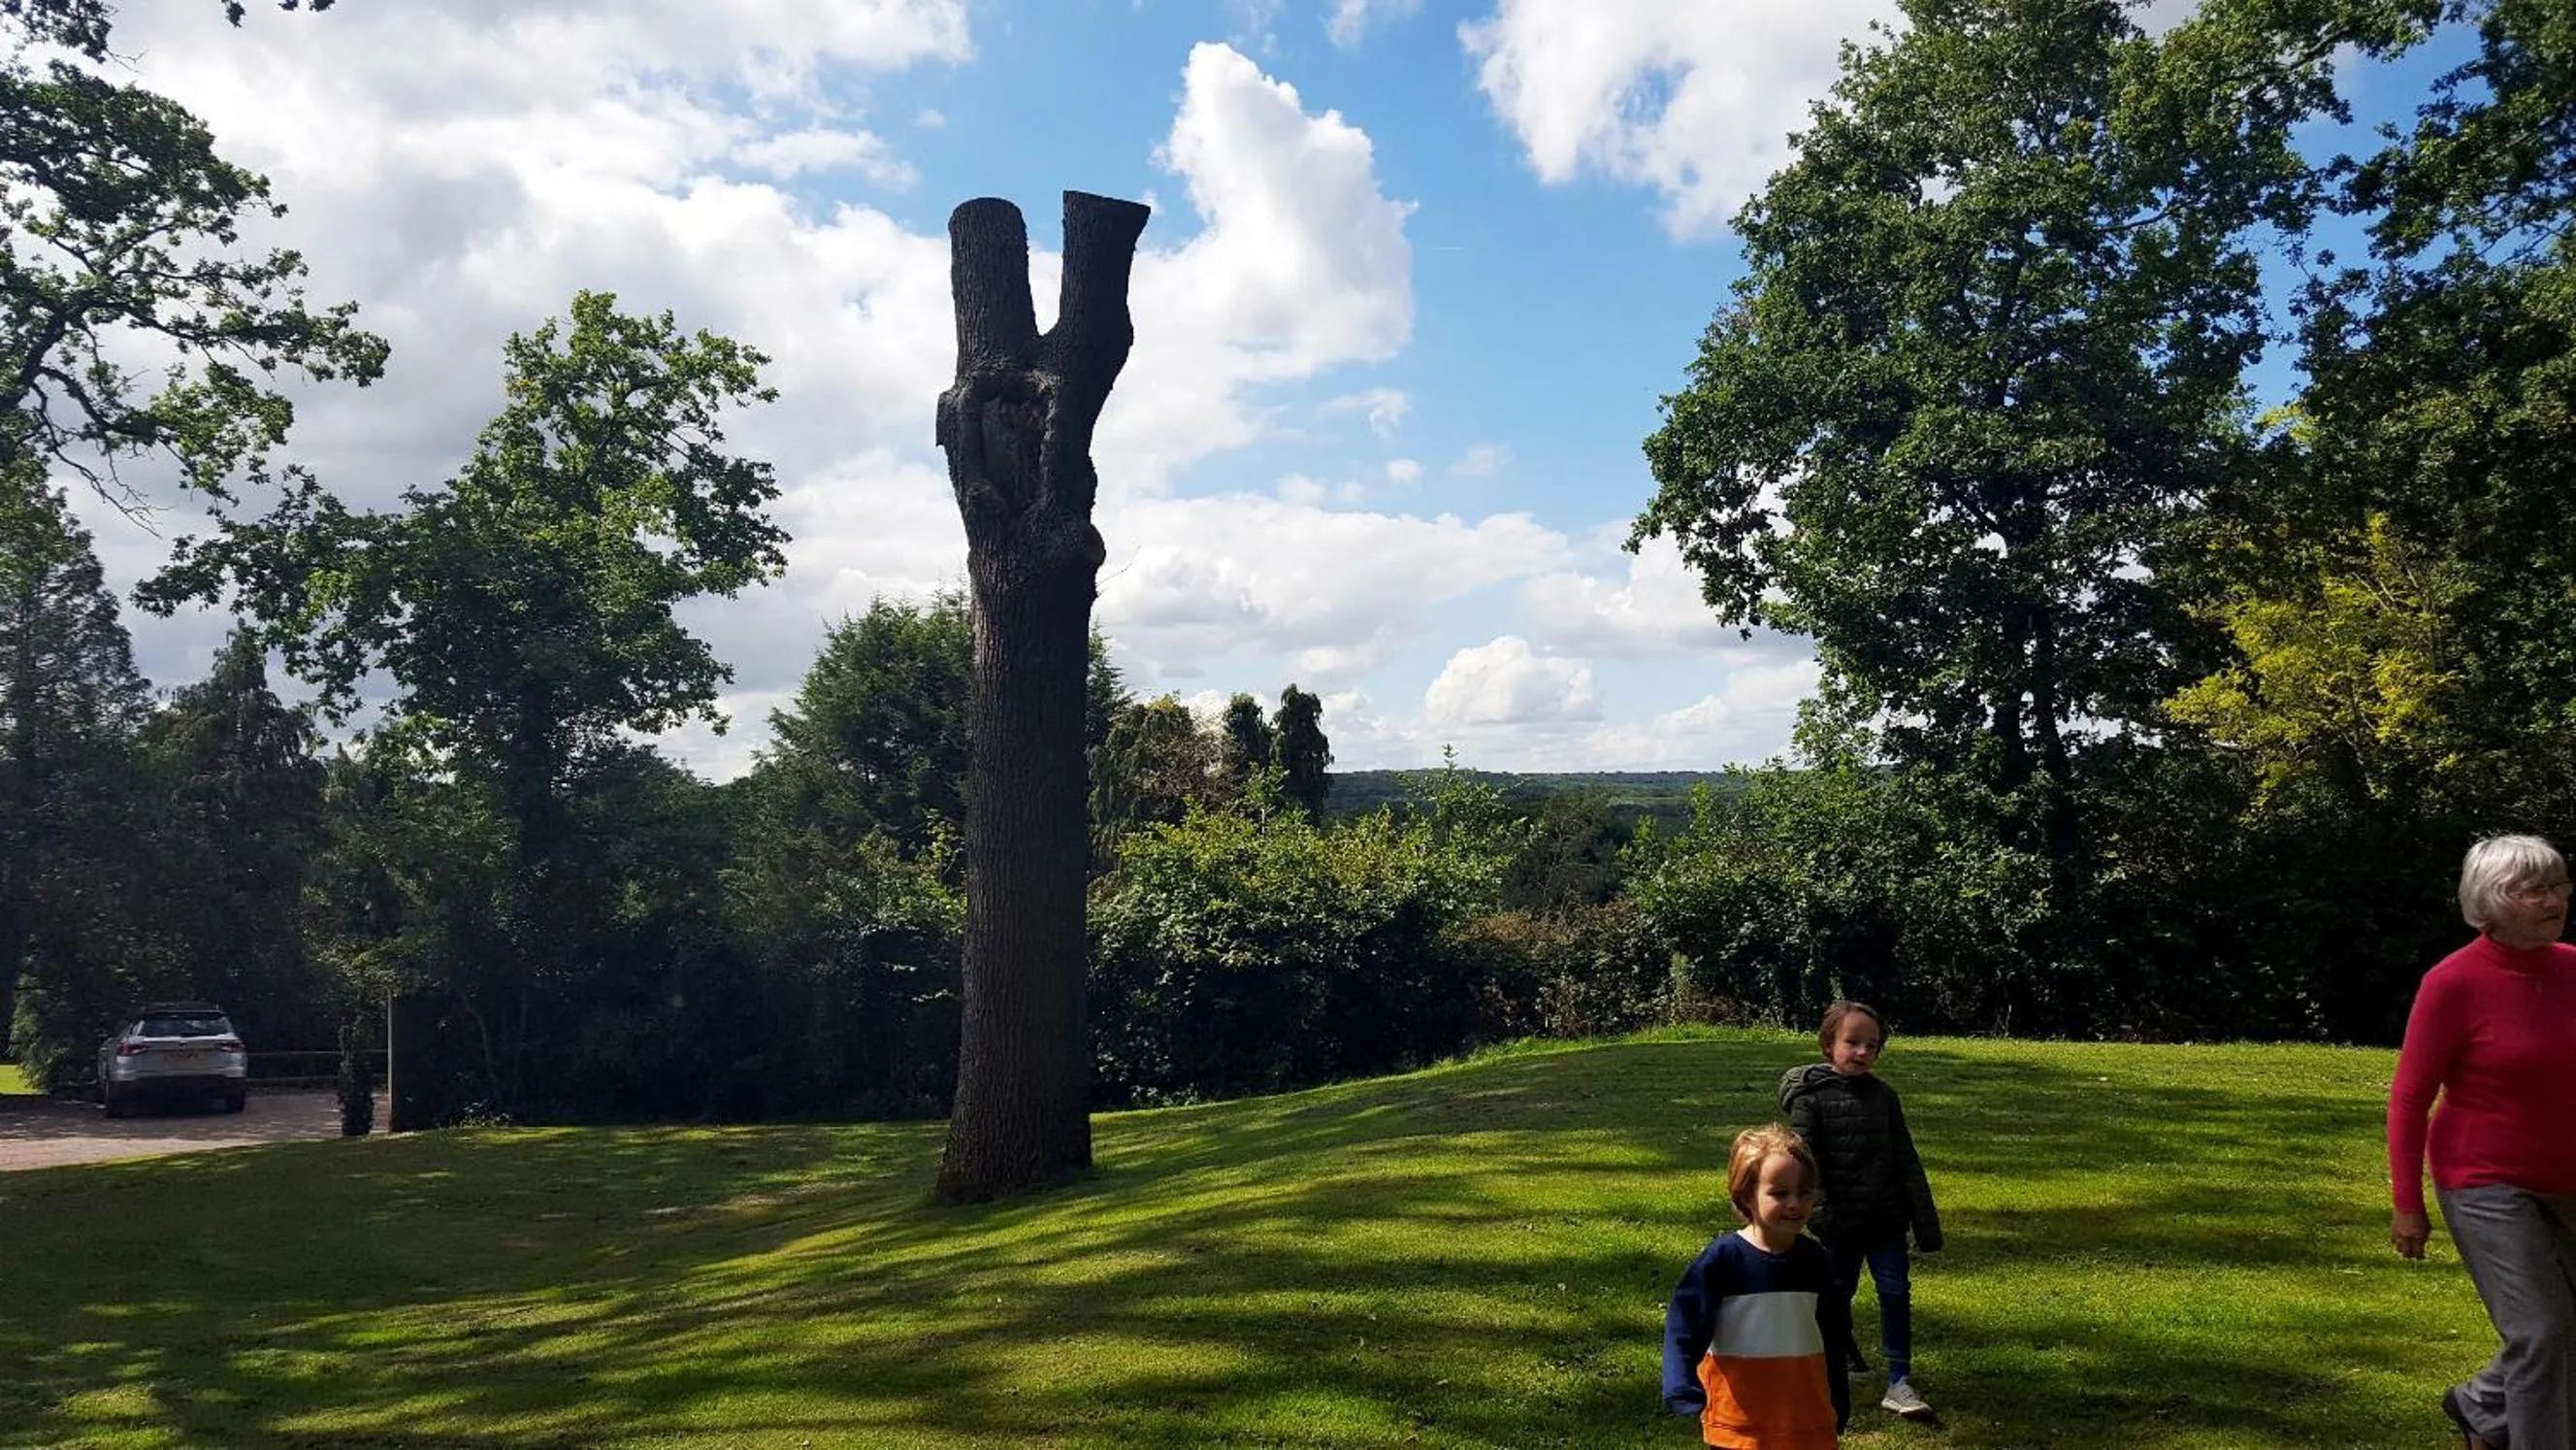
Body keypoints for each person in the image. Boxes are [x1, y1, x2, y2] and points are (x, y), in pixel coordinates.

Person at [2389, 834, 2576, 1450]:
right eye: (2535, 889)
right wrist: (2408, 1205)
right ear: (2491, 902)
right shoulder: (2454, 983)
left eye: (2559, 884)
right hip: (2485, 1179)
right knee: (2542, 1330)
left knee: (2560, 1333)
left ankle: (2479, 1407)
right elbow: (2411, 1099)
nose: (2554, 900)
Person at [1778, 1001, 1942, 1419]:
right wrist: (1819, 1213)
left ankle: (1899, 1380)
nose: (1863, 1052)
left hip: (1886, 1220)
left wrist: (1925, 1223)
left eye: (1872, 1046)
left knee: (1895, 1293)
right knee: (1836, 1297)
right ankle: (1835, 1363)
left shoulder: (1885, 1097)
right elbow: (1801, 1162)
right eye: (1852, 1042)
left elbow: (1906, 1159)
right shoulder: (1810, 1100)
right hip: (1838, 1225)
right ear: (1828, 1045)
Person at [1663, 1124, 1852, 1448]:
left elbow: (1834, 1334)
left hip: (1807, 1417)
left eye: (1804, 1192)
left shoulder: (1816, 1260)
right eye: (1780, 1193)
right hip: (1740, 1424)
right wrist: (1681, 1387)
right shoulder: (1723, 1260)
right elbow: (1684, 1326)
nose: (1795, 1203)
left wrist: (1838, 1397)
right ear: (1746, 1196)